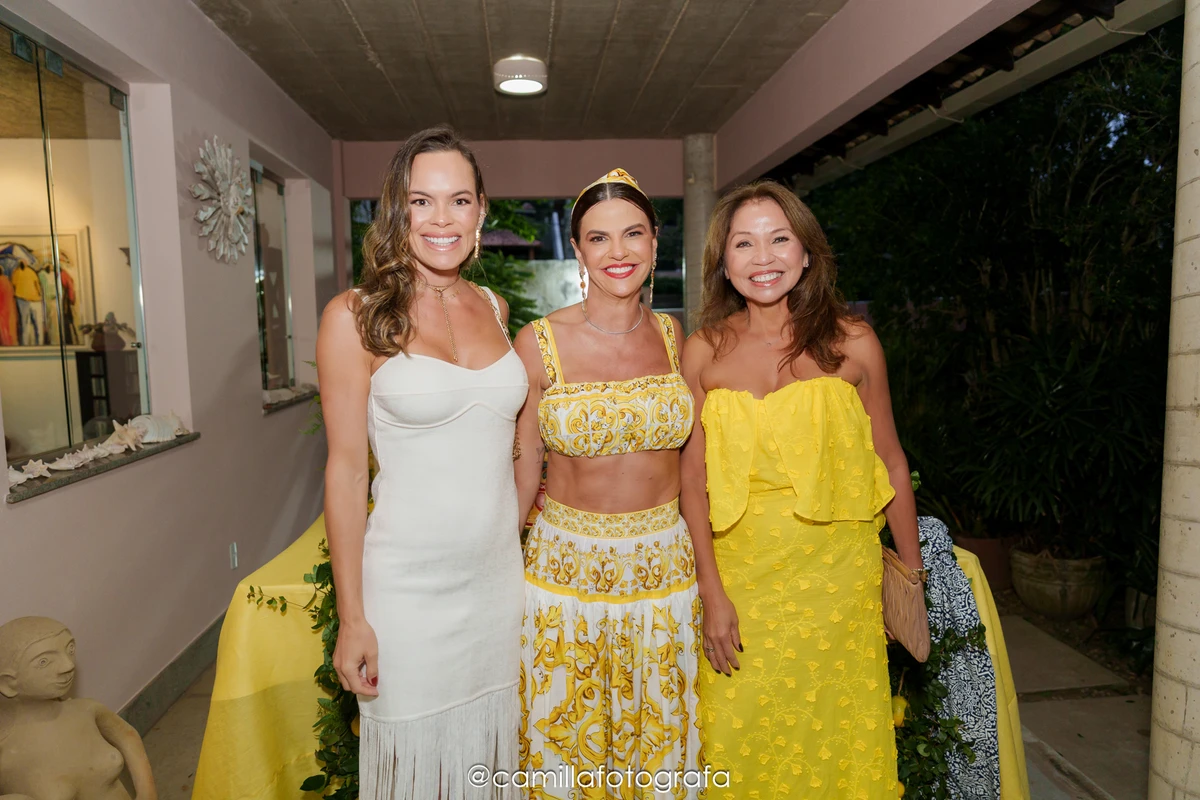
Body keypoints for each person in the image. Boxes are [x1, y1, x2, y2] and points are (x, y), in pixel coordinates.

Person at [679, 181, 923, 798]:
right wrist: (711, 592)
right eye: (744, 243)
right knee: (738, 741)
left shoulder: (854, 340)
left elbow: (891, 463)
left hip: (838, 585)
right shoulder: (703, 350)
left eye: (779, 239)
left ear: (807, 252)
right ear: (724, 263)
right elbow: (691, 483)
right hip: (741, 582)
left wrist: (912, 581)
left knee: (837, 746)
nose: (763, 258)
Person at [316, 125, 527, 799]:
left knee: (489, 762)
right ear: (396, 210)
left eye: (459, 200)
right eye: (421, 201)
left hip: (498, 590)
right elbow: (346, 473)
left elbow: (512, 447)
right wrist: (353, 617)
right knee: (416, 773)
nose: (442, 219)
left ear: (481, 210)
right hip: (405, 595)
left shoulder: (495, 307)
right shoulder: (353, 317)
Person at [512, 168, 702, 798]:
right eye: (599, 237)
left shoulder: (675, 337)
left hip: (664, 570)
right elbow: (520, 467)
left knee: (660, 750)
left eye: (633, 234)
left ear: (655, 241)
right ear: (577, 249)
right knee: (565, 752)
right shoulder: (538, 343)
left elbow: (695, 470)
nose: (618, 251)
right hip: (565, 574)